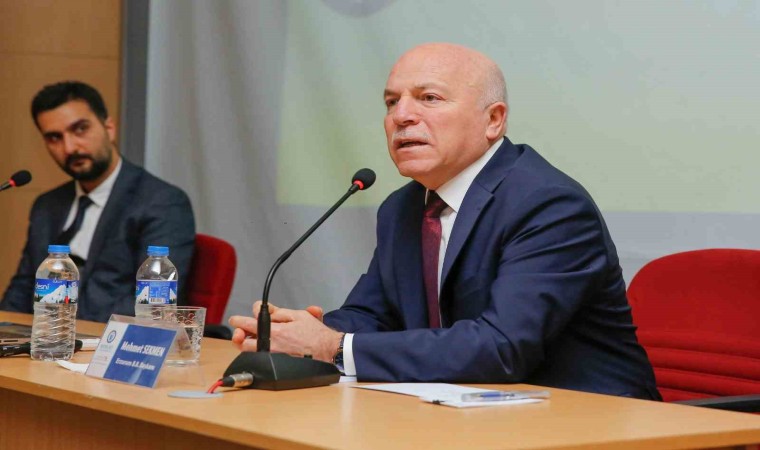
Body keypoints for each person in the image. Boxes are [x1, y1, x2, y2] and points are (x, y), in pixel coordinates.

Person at [229, 43, 660, 399]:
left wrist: (333, 346)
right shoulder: (402, 207)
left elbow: (502, 347)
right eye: (391, 102)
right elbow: (373, 314)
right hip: (468, 412)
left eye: (429, 98)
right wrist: (302, 334)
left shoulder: (548, 204)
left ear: (494, 120)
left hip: (590, 418)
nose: (401, 116)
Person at [0, 81, 195, 322]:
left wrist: (72, 331)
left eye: (80, 129)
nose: (69, 147)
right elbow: (22, 290)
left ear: (109, 128)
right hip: (46, 338)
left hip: (110, 339)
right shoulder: (47, 206)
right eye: (54, 137)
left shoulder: (162, 202)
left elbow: (153, 303)